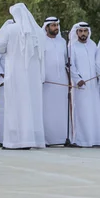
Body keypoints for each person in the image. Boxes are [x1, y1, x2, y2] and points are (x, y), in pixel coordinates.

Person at [0, 3, 45, 150]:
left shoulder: (10, 29)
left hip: (15, 75)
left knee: (15, 106)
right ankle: (31, 140)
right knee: (31, 106)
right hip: (32, 78)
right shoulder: (39, 32)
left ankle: (15, 142)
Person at [69, 22, 100, 147]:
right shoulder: (72, 47)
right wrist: (77, 79)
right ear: (77, 32)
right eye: (80, 31)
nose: (83, 33)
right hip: (80, 86)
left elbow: (97, 64)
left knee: (94, 112)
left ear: (88, 32)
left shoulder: (93, 45)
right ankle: (81, 140)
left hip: (93, 85)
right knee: (82, 112)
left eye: (85, 31)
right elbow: (71, 66)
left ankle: (95, 140)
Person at [41, 17, 71, 146]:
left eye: (57, 25)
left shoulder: (62, 42)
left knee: (62, 110)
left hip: (62, 81)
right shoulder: (41, 41)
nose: (56, 28)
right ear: (47, 27)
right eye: (53, 25)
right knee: (48, 110)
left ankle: (63, 138)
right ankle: (48, 139)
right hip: (47, 81)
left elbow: (66, 61)